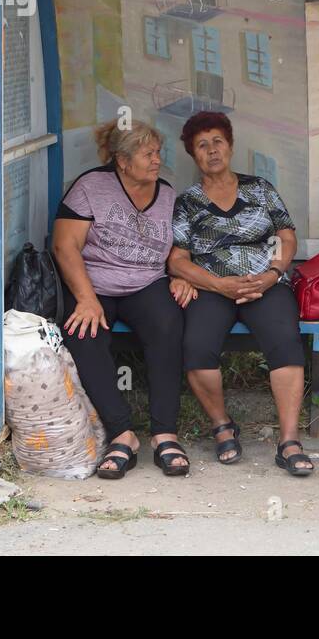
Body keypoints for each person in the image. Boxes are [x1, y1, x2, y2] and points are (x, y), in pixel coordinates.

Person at [168, 112, 315, 477]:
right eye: (202, 145)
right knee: (197, 347)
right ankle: (222, 425)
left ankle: (289, 440)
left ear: (230, 146)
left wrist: (272, 274)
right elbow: (177, 259)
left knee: (285, 340)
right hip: (212, 288)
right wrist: (217, 284)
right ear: (193, 155)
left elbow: (286, 237)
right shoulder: (187, 202)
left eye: (217, 141)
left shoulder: (260, 188)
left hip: (264, 284)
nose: (212, 150)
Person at [52, 119, 196, 479]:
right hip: (94, 283)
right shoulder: (91, 187)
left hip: (146, 282)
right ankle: (122, 434)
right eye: (147, 154)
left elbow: (179, 245)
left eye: (158, 152)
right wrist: (85, 298)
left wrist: (180, 275)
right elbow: (64, 245)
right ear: (121, 160)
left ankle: (165, 433)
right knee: (85, 335)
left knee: (168, 325)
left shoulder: (166, 193)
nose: (156, 160)